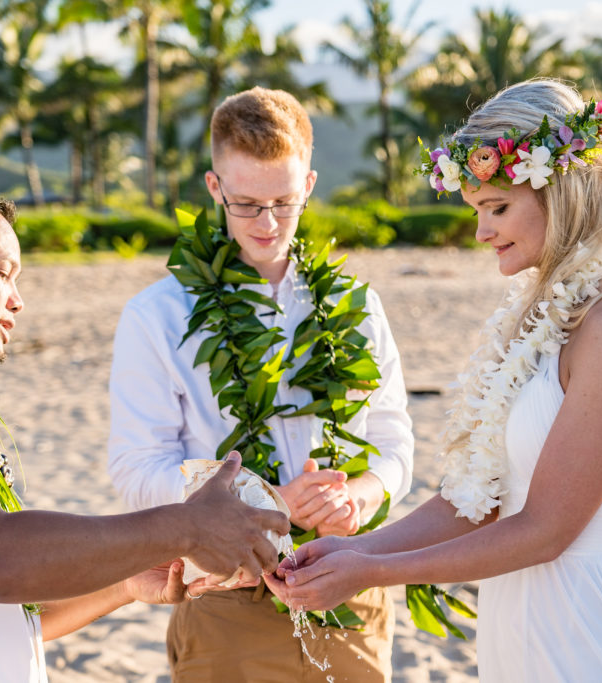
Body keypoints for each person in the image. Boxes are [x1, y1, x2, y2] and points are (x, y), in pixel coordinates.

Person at [266, 78, 602, 682]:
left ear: (562, 189)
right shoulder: (549, 315)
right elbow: (482, 502)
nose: (481, 232)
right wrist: (357, 547)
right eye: (476, 209)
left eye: (497, 207)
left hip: (592, 630)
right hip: (524, 622)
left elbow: (546, 530)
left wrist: (373, 573)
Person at [0, 175, 290, 682]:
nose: (17, 300)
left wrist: (126, 579)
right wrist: (186, 526)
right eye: (3, 272)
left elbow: (12, 610)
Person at [107, 86, 414, 682]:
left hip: (349, 587)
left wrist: (360, 496)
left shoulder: (358, 305)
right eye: (246, 204)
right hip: (224, 597)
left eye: (284, 202)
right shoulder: (156, 315)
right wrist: (267, 505)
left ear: (310, 185)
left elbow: (393, 437)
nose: (268, 224)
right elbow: (136, 470)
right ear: (214, 186)